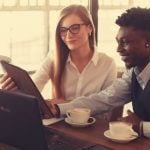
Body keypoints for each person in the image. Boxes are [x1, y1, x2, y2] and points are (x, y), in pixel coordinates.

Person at [48, 7, 150, 138]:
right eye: (118, 42)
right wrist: (58, 109)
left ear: (148, 43)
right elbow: (103, 99)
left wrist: (142, 127)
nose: (118, 49)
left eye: (124, 42)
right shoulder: (133, 74)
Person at [0, 5, 116, 108]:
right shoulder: (54, 57)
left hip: (91, 129)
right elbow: (33, 90)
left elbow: (105, 107)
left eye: (75, 28)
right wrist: (15, 90)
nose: (69, 35)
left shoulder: (107, 64)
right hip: (59, 127)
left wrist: (63, 103)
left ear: (89, 28)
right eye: (63, 30)